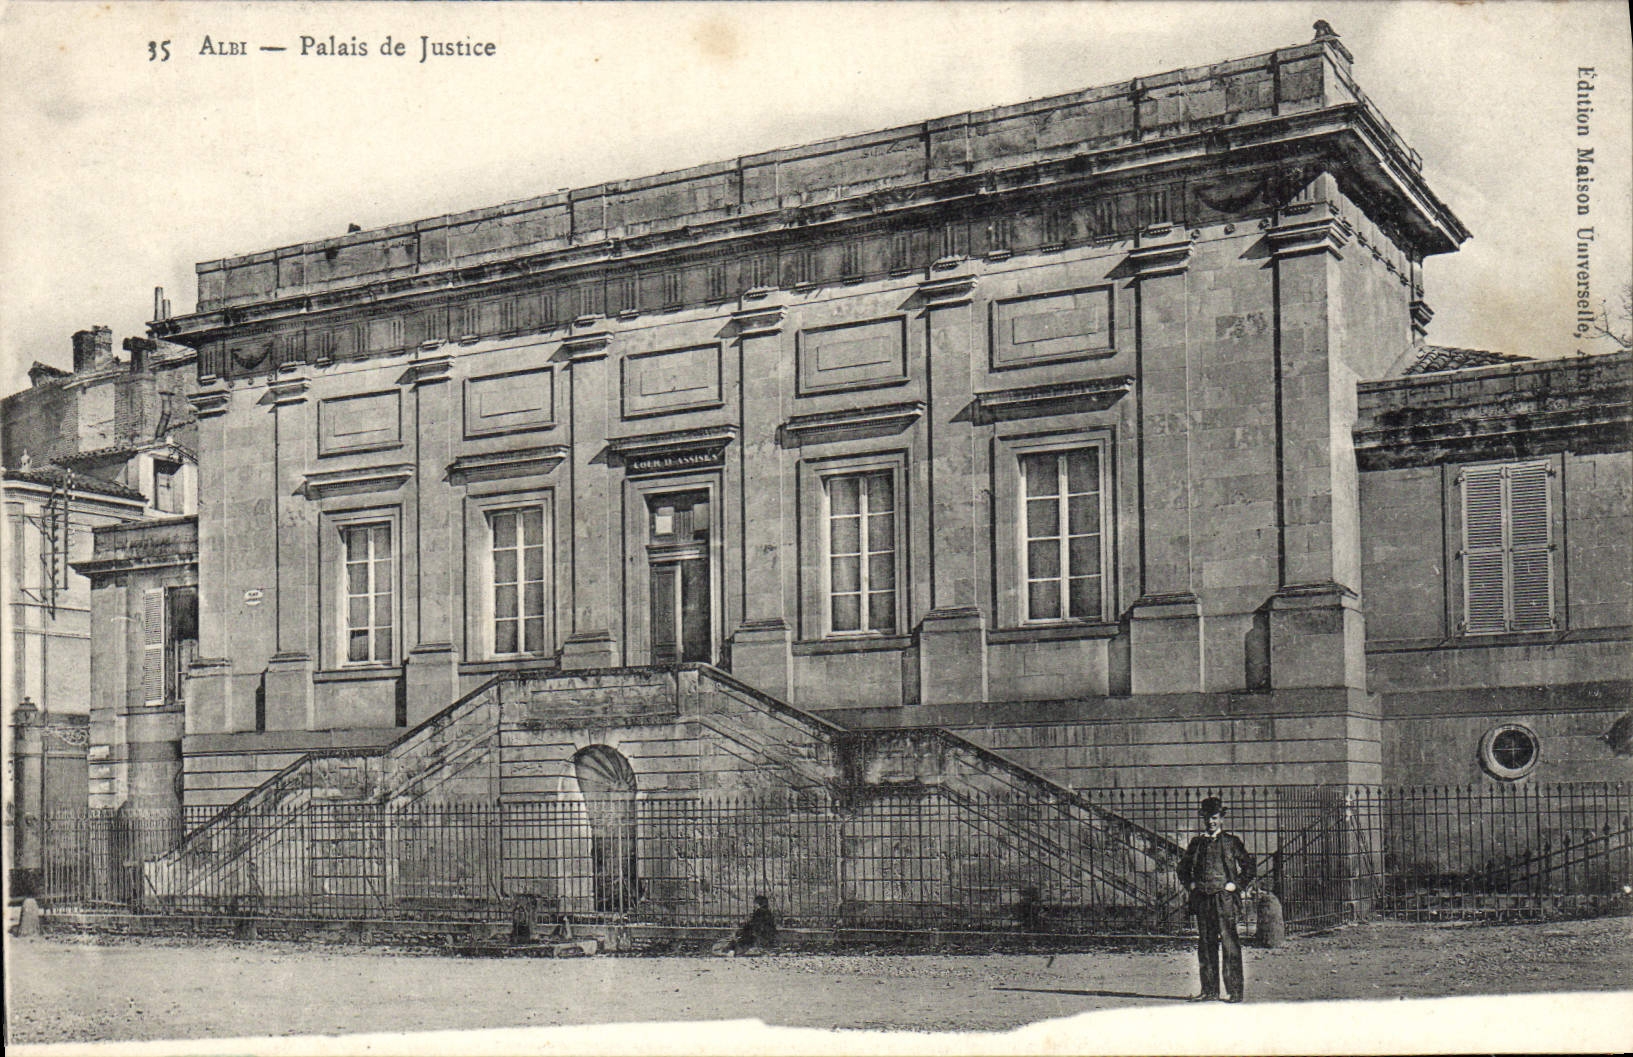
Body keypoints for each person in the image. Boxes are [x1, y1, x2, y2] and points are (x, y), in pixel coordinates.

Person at [1176, 796, 1256, 1002]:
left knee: (1229, 944)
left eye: (1214, 817)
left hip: (1224, 900)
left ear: (1221, 818)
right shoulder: (1197, 843)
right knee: (1205, 944)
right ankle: (1209, 990)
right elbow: (1183, 869)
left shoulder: (1231, 842)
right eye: (1207, 818)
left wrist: (1235, 885)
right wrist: (1192, 885)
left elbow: (1249, 867)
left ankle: (1234, 991)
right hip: (1203, 899)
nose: (1210, 822)